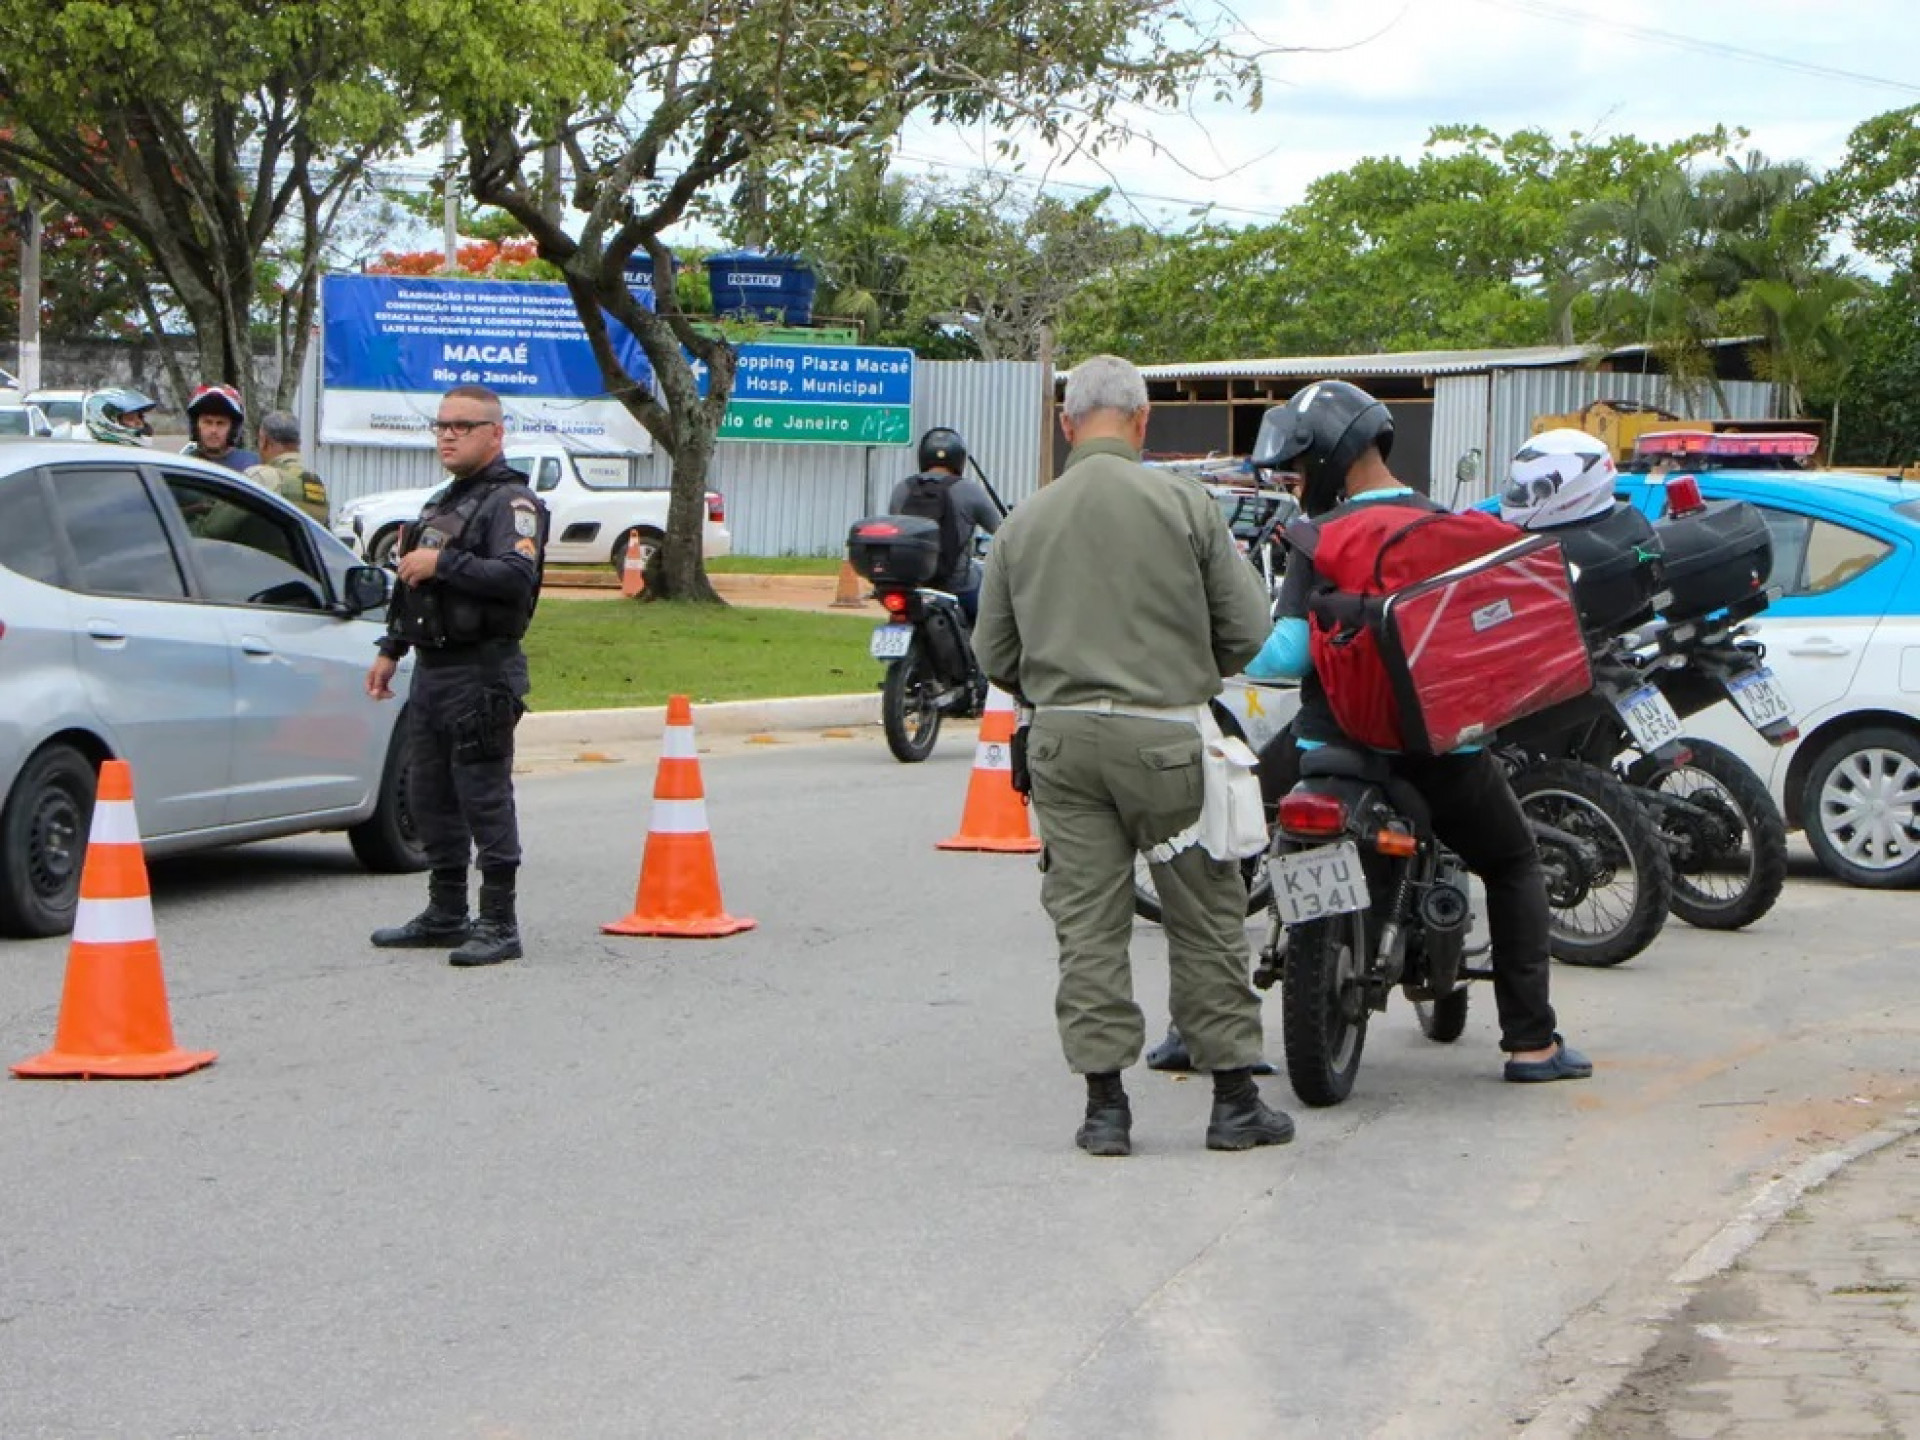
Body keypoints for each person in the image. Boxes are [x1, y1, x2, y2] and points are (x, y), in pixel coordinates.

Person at [972, 354, 1295, 1158]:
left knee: (1088, 924)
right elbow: (1249, 632)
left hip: (1063, 745)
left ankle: (1105, 1108)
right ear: (1144, 421)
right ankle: (1232, 1102)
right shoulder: (1185, 504)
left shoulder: (1025, 522)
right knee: (1208, 918)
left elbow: (995, 655)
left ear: (1066, 424)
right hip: (1168, 741)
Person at [1244, 379, 1592, 1084]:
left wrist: (1222, 653)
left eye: (1303, 465)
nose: (1298, 479)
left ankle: (1203, 1027)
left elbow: (1284, 657)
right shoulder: (1448, 528)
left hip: (1331, 753)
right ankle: (1532, 1044)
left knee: (1243, 829)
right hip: (1442, 756)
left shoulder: (1319, 537)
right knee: (1512, 863)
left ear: (1329, 460)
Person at [364, 385, 548, 968]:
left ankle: (499, 921)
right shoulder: (442, 503)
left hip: (482, 669)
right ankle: (445, 912)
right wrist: (391, 647)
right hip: (434, 668)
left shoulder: (513, 503)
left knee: (483, 794)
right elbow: (412, 585)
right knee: (429, 792)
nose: (448, 434)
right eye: (442, 425)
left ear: (495, 434)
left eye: (463, 426)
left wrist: (444, 562)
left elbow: (516, 576)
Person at [887, 427, 1001, 624]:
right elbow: (1002, 532)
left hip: (911, 587)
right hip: (958, 588)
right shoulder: (968, 490)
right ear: (959, 459)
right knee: (992, 617)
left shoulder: (902, 489)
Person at [245, 410, 330, 522]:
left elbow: (219, 527)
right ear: (298, 443)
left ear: (264, 442)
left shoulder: (259, 477)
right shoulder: (317, 485)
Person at [182, 383, 261, 472]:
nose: (213, 430)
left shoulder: (252, 465)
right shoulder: (184, 464)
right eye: (207, 422)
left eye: (220, 423)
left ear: (233, 429)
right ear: (196, 426)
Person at [82, 388, 158, 446]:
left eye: (140, 417)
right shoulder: (107, 456)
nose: (139, 422)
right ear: (109, 421)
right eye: (130, 418)